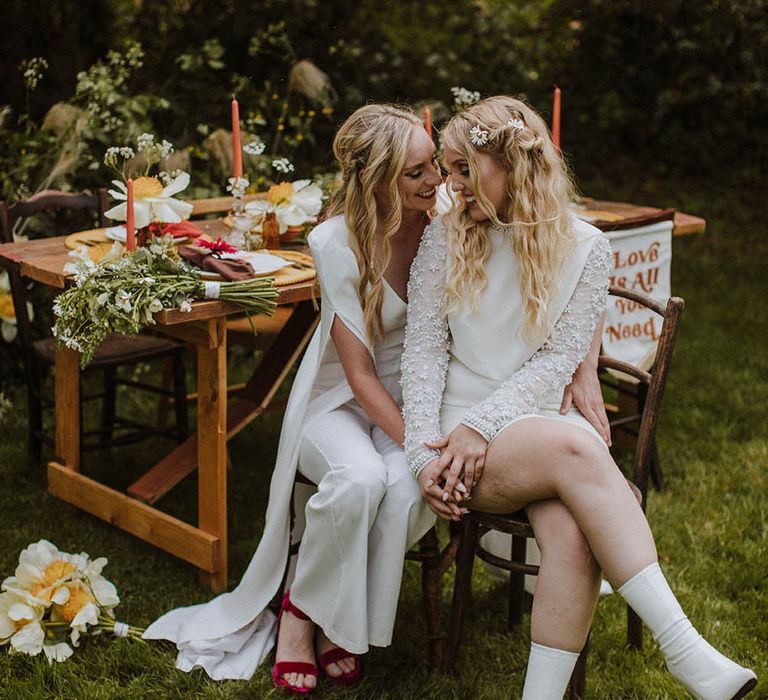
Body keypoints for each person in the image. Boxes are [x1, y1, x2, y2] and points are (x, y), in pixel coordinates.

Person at [400, 95, 757, 700]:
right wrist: (422, 454)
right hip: (459, 441)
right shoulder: (445, 237)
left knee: (568, 528)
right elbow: (424, 354)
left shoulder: (587, 247)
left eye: (464, 169)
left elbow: (558, 362)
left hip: (531, 419)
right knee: (576, 447)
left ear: (512, 163)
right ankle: (684, 648)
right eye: (447, 168)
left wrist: (487, 425)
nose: (450, 184)